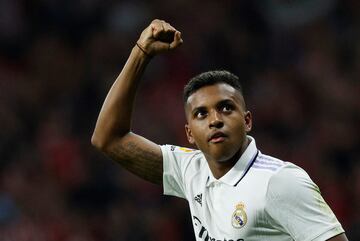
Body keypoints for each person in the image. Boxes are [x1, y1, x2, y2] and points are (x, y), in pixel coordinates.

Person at [91, 19, 348, 241]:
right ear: (189, 133)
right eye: (201, 114)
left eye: (226, 108)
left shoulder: (280, 182)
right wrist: (141, 53)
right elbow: (108, 138)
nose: (214, 120)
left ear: (247, 121)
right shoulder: (191, 170)